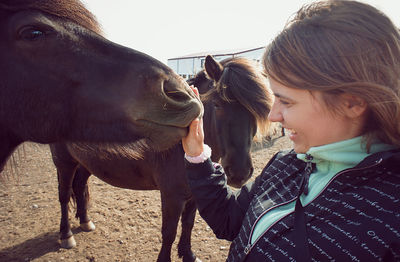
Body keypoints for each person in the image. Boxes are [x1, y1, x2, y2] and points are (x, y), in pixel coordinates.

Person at [182, 1, 400, 261]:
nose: (273, 115)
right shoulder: (286, 164)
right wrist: (198, 157)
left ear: (352, 102)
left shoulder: (390, 219)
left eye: (286, 101)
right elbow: (229, 221)